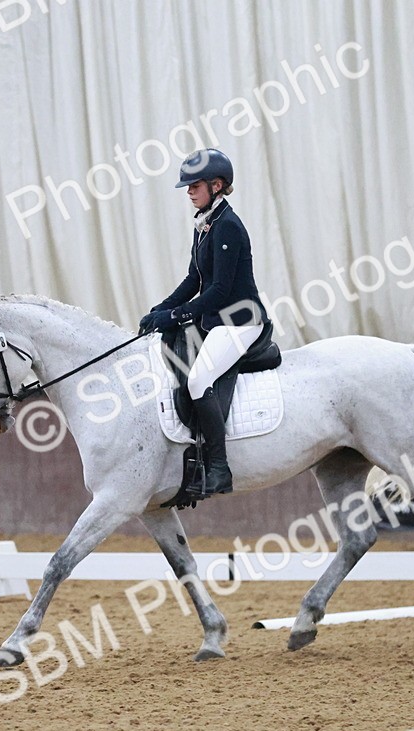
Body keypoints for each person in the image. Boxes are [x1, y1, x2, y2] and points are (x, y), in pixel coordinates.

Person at [139, 148, 269, 496]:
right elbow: (193, 280)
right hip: (217, 319)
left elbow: (219, 290)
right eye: (187, 186)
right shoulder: (205, 222)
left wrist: (175, 315)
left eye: (194, 185)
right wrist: (160, 309)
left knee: (197, 380)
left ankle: (218, 467)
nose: (188, 191)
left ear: (217, 185)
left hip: (241, 320)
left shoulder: (227, 226)